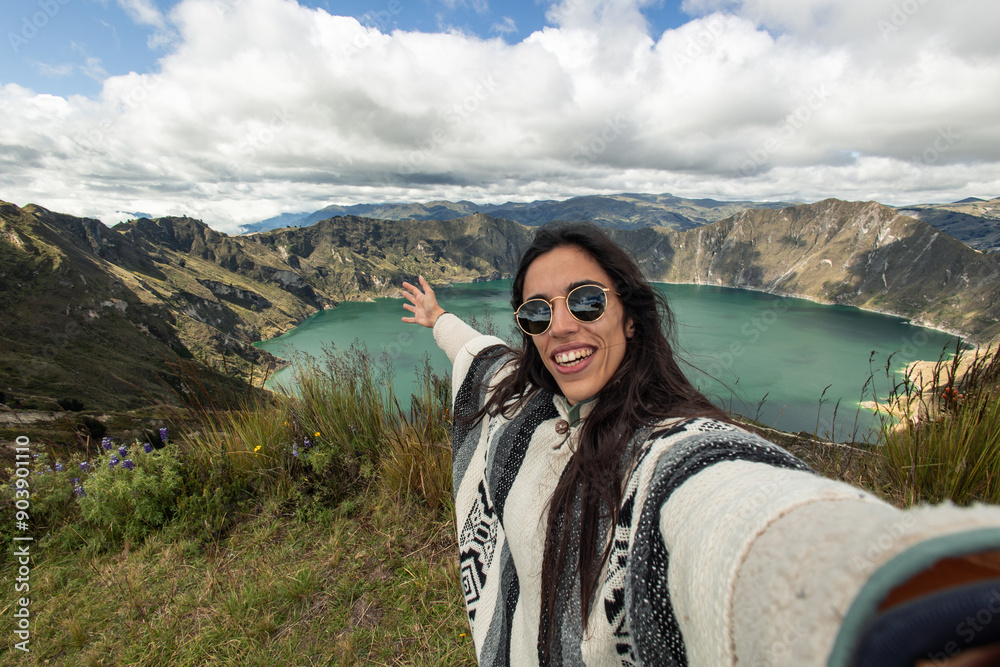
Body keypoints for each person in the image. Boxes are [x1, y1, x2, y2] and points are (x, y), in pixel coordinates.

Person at [402, 221, 1000, 666]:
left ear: (630, 317)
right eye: (537, 313)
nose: (560, 326)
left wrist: (893, 596)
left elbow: (727, 503)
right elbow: (479, 355)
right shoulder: (527, 400)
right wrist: (438, 319)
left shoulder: (665, 447)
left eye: (586, 301)